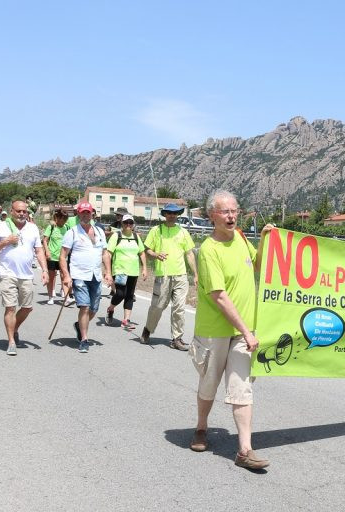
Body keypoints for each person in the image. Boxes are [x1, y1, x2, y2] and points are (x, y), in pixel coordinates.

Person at [188, 190, 273, 470]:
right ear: (212, 215)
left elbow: (258, 266)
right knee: (209, 384)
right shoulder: (209, 250)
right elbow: (219, 296)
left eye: (234, 211)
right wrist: (247, 331)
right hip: (215, 331)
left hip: (243, 332)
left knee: (242, 388)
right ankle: (201, 427)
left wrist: (266, 241)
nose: (232, 216)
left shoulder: (240, 238)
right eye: (225, 212)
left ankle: (245, 450)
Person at [0, 199, 48, 356]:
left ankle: (15, 328)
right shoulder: (2, 226)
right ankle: (11, 342)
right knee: (11, 307)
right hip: (8, 273)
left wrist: (44, 270)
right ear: (12, 211)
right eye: (18, 211)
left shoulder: (33, 228)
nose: (22, 213)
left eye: (24, 211)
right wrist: (7, 241)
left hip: (26, 275)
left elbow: (39, 250)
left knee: (27, 307)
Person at [140, 202, 198, 350]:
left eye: (175, 213)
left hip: (181, 275)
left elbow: (189, 254)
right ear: (164, 214)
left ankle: (177, 338)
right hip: (163, 275)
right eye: (169, 213)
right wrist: (156, 254)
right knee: (158, 306)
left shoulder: (183, 232)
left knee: (179, 307)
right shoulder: (156, 230)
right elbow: (147, 250)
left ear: (178, 215)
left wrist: (196, 274)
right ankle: (148, 329)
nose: (172, 216)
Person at [59, 202, 111, 353]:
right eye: (82, 213)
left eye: (88, 213)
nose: (85, 215)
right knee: (85, 306)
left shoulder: (100, 232)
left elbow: (105, 253)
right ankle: (84, 339)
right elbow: (63, 257)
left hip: (95, 275)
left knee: (94, 309)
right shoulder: (73, 232)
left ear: (92, 214)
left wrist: (108, 272)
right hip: (79, 275)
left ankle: (79, 325)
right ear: (78, 214)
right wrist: (66, 276)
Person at [104, 214, 147, 329]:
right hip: (120, 270)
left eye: (130, 223)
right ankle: (111, 308)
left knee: (129, 295)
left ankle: (126, 320)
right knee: (120, 294)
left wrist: (144, 268)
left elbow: (142, 252)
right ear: (122, 224)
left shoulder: (136, 237)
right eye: (126, 222)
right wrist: (108, 272)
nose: (128, 225)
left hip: (133, 271)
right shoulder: (116, 236)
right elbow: (108, 253)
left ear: (133, 225)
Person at [43, 209, 71, 305]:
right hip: (52, 256)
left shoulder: (67, 228)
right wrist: (47, 251)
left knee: (64, 276)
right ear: (57, 218)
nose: (64, 221)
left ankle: (66, 298)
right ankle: (51, 296)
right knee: (51, 277)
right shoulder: (51, 227)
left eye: (65, 219)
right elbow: (45, 240)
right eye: (62, 219)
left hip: (63, 257)